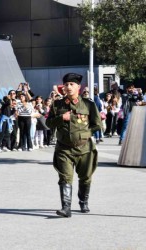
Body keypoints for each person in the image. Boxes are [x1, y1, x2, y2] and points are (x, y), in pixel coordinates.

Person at [46, 73, 102, 218]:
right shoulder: (57, 104)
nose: (68, 87)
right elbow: (48, 123)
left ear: (78, 87)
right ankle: (66, 208)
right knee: (65, 177)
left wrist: (85, 134)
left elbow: (97, 125)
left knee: (86, 177)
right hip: (64, 148)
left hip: (85, 148)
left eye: (71, 84)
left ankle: (83, 201)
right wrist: (60, 118)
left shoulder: (88, 104)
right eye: (66, 85)